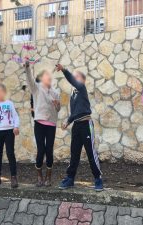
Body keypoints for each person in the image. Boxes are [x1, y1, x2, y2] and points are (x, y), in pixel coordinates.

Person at [55, 64, 103, 192]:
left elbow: (71, 79)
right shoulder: (74, 94)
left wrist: (64, 70)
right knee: (74, 153)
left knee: (91, 153)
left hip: (86, 125)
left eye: (76, 77)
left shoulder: (81, 88)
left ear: (82, 80)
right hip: (76, 126)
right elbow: (75, 112)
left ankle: (98, 179)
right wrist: (68, 122)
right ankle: (70, 179)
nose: (74, 79)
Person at [24, 61, 60, 187]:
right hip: (39, 123)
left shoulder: (55, 92)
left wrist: (57, 105)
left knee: (49, 150)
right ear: (41, 79)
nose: (49, 77)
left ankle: (48, 177)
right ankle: (39, 175)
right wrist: (27, 68)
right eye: (46, 76)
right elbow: (29, 80)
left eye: (49, 76)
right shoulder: (36, 88)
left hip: (51, 124)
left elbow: (58, 109)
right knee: (41, 150)